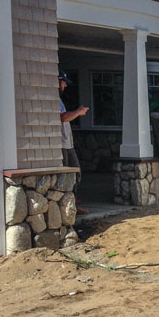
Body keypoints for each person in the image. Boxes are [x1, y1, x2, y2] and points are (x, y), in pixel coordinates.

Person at [57, 71, 90, 215]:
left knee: (76, 174)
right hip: (61, 145)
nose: (65, 85)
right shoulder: (54, 100)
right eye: (63, 82)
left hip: (68, 143)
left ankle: (73, 206)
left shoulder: (59, 99)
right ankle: (67, 209)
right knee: (67, 176)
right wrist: (78, 112)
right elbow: (63, 117)